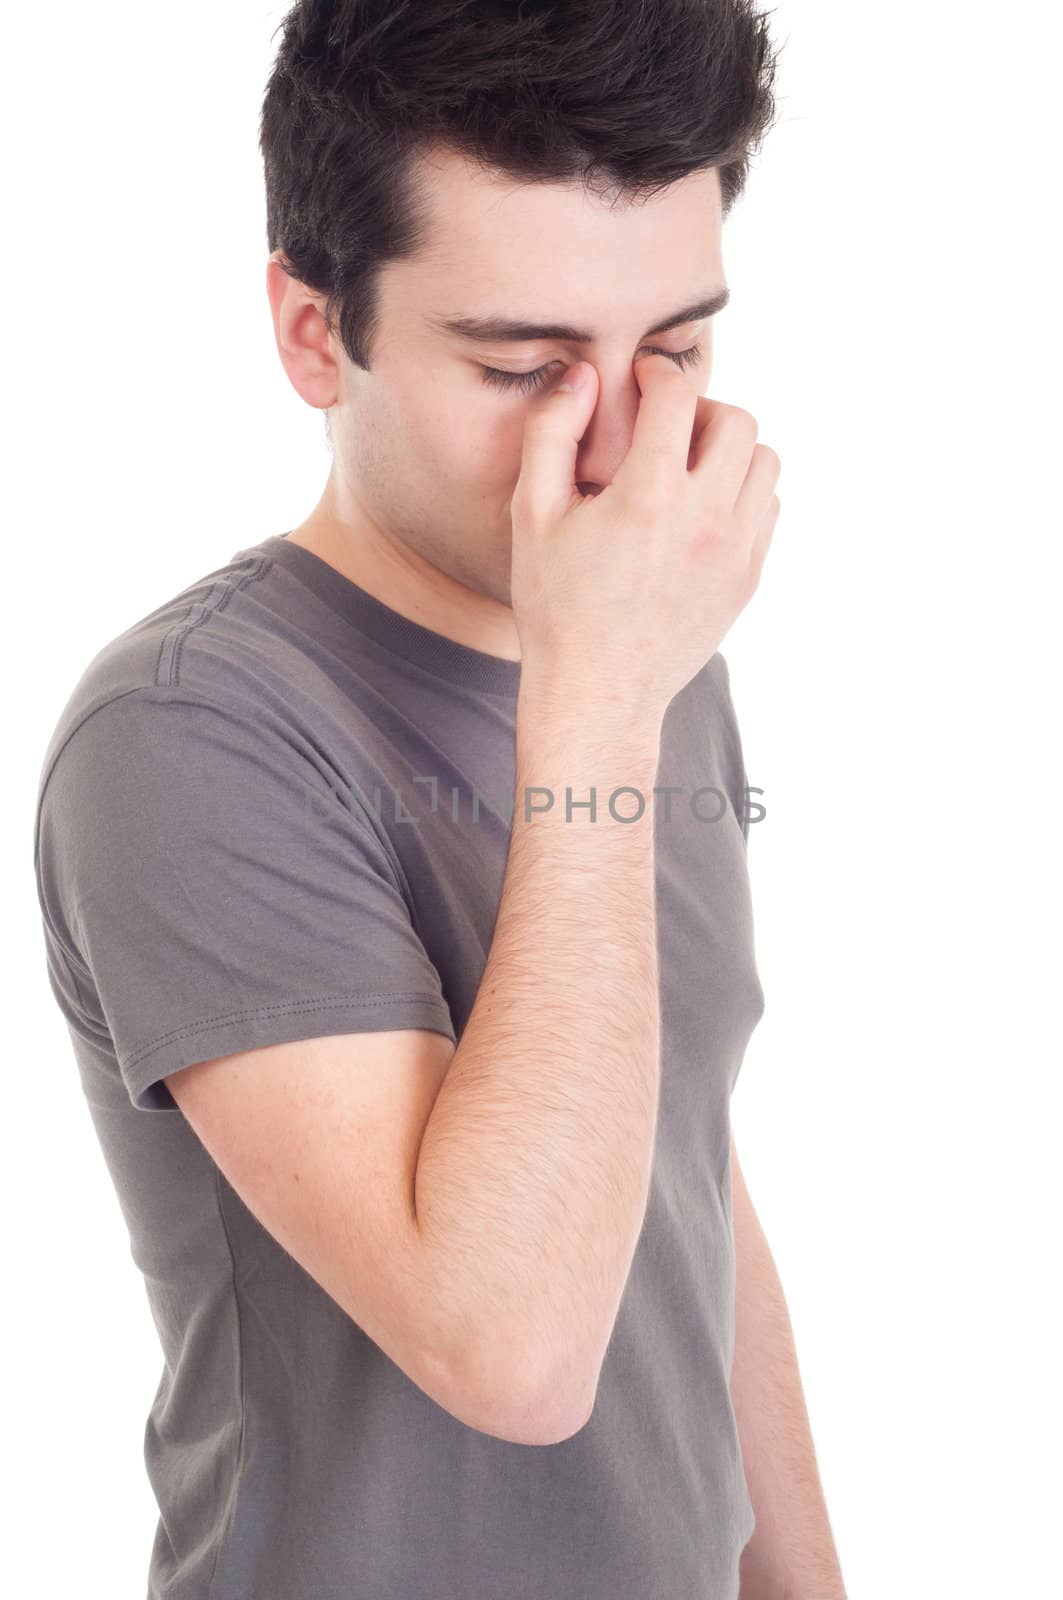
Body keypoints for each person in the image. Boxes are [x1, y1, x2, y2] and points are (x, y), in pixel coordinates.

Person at [33, 2, 845, 1596]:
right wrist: (600, 698)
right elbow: (513, 1349)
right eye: (527, 366)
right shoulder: (188, 730)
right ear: (313, 333)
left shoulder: (650, 656)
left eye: (676, 346)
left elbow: (678, 1168)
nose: (621, 450)